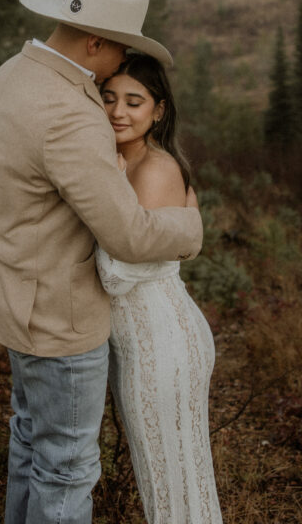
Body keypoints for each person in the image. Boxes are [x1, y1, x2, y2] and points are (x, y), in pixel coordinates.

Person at [0, 0, 204, 524]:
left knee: (30, 444)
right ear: (97, 41)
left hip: (14, 301)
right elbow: (128, 234)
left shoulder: (12, 73)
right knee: (67, 469)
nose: (120, 65)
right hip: (61, 320)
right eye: (120, 50)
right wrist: (190, 227)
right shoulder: (69, 113)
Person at [96, 53, 223, 524]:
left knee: (174, 485)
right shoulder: (116, 163)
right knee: (168, 484)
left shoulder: (155, 170)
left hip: (163, 341)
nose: (118, 112)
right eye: (109, 98)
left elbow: (115, 273)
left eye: (134, 101)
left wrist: (105, 181)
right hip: (137, 341)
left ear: (159, 110)